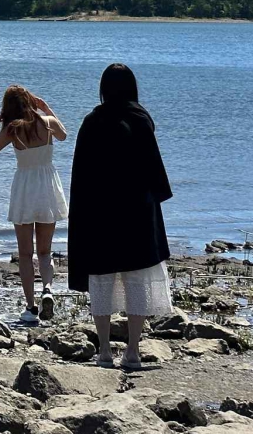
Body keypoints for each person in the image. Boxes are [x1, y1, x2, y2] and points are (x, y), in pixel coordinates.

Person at [67, 63, 173, 369]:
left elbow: (81, 173)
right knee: (136, 280)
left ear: (103, 89)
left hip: (99, 213)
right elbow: (154, 168)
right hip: (137, 213)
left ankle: (103, 351)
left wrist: (80, 214)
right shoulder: (140, 119)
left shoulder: (91, 121)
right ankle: (133, 351)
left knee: (101, 279)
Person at [0, 85, 69, 325]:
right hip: (48, 187)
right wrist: (46, 109)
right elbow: (64, 135)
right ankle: (48, 289)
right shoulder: (47, 122)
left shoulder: (12, 129)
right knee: (45, 251)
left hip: (24, 188)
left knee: (25, 253)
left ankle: (31, 308)